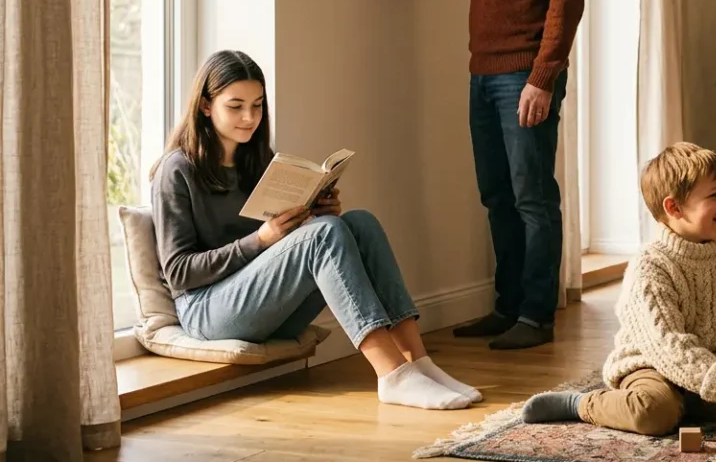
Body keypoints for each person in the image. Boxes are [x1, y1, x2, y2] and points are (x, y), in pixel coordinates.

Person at [351, 0, 587, 351]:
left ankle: (536, 315)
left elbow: (566, 1)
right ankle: (508, 308)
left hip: (525, 76)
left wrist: (542, 78)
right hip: (483, 76)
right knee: (497, 197)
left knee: (533, 198)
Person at [149, 50, 481, 411]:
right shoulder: (177, 170)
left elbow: (282, 254)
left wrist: (314, 212)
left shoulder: (256, 160)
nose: (249, 118)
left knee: (359, 223)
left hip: (264, 308)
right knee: (324, 234)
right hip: (206, 311)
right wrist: (261, 239)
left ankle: (418, 361)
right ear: (205, 106)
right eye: (236, 106)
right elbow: (179, 272)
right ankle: (392, 375)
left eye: (257, 106)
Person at [518, 142, 716, 435]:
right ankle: (581, 404)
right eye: (714, 196)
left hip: (710, 368)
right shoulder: (649, 267)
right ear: (674, 208)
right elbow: (669, 346)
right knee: (653, 413)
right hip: (652, 368)